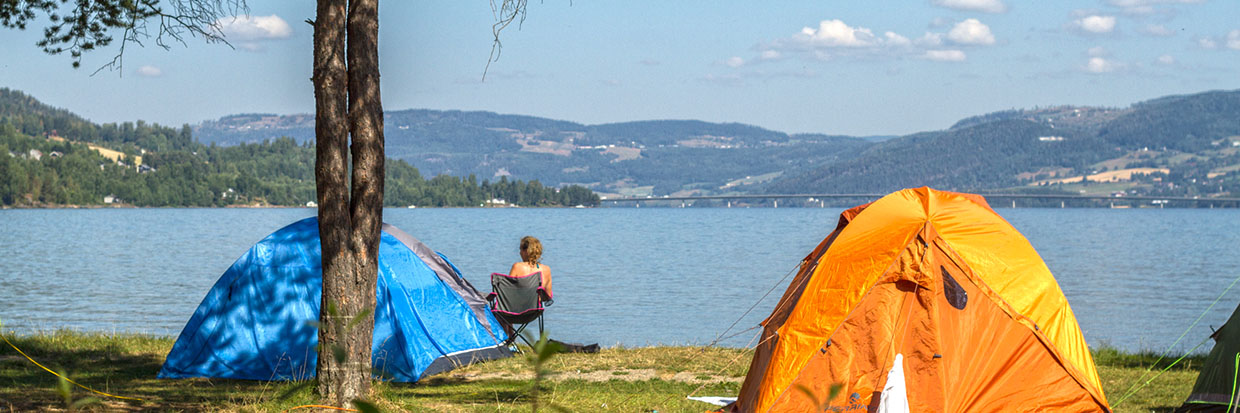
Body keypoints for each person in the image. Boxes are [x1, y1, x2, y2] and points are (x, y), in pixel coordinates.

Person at [509, 235, 552, 305]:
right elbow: (548, 296)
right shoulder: (546, 269)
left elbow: (508, 291)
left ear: (526, 251)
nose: (520, 253)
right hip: (535, 309)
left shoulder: (517, 266)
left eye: (521, 249)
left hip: (517, 308)